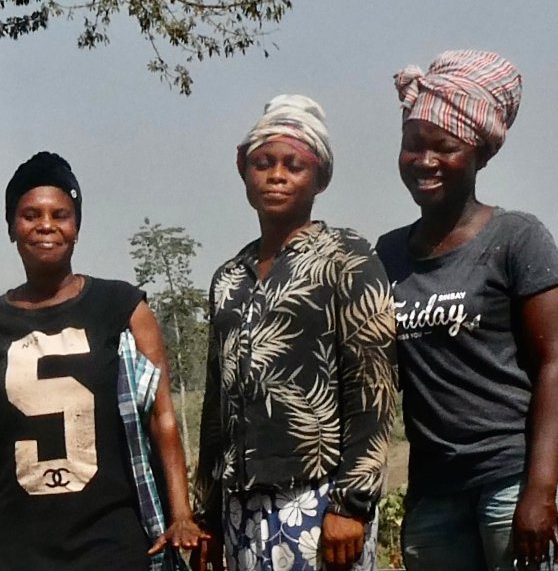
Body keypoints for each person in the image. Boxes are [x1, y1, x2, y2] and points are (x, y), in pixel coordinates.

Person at [194, 94, 398, 571]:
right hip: (240, 505)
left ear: (319, 177)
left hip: (319, 501)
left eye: (294, 165)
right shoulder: (229, 278)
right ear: (244, 170)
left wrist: (352, 503)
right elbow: (215, 405)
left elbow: (373, 388)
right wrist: (207, 509)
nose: (277, 175)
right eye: (263, 162)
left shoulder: (346, 258)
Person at [376, 49, 558, 571]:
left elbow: (552, 364)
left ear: (479, 154)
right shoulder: (387, 255)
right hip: (433, 493)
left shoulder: (517, 238)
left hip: (509, 481)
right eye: (414, 145)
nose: (425, 161)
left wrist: (540, 491)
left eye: (445, 147)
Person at [0, 151, 206, 571]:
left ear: (76, 227)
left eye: (60, 214)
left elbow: (161, 416)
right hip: (19, 546)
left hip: (113, 543)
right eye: (30, 214)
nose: (45, 226)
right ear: (10, 227)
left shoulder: (121, 307)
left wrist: (180, 514)